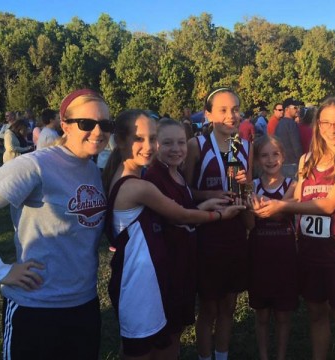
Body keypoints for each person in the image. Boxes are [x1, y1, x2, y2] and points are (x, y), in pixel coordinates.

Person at [102, 110, 244, 360]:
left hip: (157, 274)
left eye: (152, 138)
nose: (148, 146)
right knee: (142, 350)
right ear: (121, 141)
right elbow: (181, 216)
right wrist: (220, 215)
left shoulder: (140, 176)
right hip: (139, 281)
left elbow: (171, 217)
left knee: (163, 341)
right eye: (139, 139)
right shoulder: (139, 184)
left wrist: (206, 202)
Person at [0, 88, 113, 359]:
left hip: (84, 304)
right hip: (35, 308)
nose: (98, 131)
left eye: (105, 124)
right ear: (64, 124)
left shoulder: (92, 168)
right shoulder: (35, 165)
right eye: (86, 124)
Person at [252, 97, 335, 360]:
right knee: (316, 315)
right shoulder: (306, 161)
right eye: (326, 122)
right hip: (309, 252)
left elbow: (330, 204)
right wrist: (266, 204)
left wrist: (280, 207)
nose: (332, 129)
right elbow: (297, 198)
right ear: (317, 125)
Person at [184, 87, 252, 360]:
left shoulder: (244, 145)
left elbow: (247, 192)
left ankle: (221, 355)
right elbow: (185, 192)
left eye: (235, 109)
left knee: (229, 305)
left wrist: (247, 188)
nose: (230, 115)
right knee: (209, 307)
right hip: (208, 234)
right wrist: (210, 195)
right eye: (223, 110)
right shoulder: (196, 146)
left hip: (235, 233)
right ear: (209, 114)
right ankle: (204, 356)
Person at [247, 135, 297, 360]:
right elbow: (249, 223)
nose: (270, 160)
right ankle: (264, 355)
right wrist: (250, 207)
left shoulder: (292, 185)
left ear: (283, 156)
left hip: (285, 259)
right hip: (259, 259)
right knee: (262, 315)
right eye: (264, 155)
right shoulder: (252, 187)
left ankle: (281, 355)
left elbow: (281, 215)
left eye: (275, 154)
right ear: (257, 160)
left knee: (283, 316)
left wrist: (272, 208)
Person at [274, 98, 303, 178]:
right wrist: (302, 162)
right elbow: (296, 146)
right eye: (295, 107)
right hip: (292, 165)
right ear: (287, 109)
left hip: (281, 164)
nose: (297, 110)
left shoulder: (279, 124)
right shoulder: (291, 124)